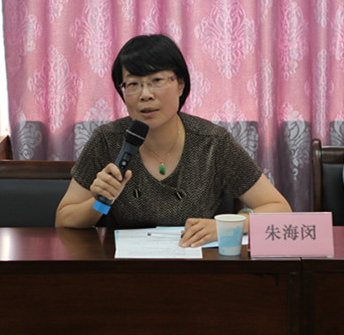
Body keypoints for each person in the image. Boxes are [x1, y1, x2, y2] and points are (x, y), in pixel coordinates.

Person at [55, 34, 291, 247]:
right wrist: (100, 202)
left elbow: (279, 209)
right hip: (126, 269)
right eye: (133, 84)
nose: (146, 94)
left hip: (197, 267)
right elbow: (64, 219)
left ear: (180, 85)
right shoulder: (108, 140)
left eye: (157, 80)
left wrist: (224, 226)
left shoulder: (213, 142)